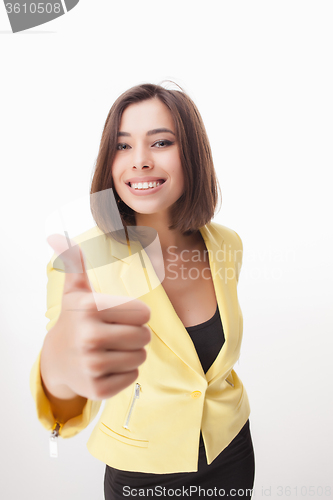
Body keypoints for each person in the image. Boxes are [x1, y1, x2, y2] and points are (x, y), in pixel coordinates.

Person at [30, 82, 255, 499]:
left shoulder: (226, 244)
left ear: (192, 153)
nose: (140, 161)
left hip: (231, 451)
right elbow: (67, 392)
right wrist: (59, 369)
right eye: (122, 146)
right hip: (142, 474)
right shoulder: (80, 260)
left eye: (161, 142)